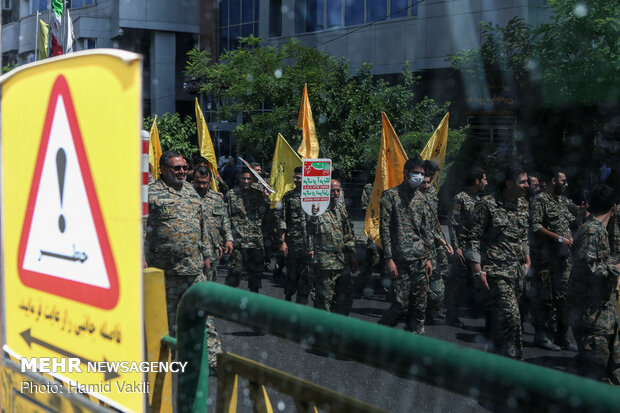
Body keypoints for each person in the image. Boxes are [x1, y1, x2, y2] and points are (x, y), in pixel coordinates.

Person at [145, 151, 221, 368]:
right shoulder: (151, 193)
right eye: (176, 168)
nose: (182, 171)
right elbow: (141, 229)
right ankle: (167, 363)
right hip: (165, 270)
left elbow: (202, 225)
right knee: (167, 322)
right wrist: (142, 257)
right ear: (163, 169)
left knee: (204, 316)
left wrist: (206, 254)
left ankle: (214, 359)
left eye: (184, 168)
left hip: (194, 268)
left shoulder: (191, 191)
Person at [464, 162, 530, 359]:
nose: (527, 185)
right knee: (513, 318)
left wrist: (528, 261)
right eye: (523, 182)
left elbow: (523, 236)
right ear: (509, 183)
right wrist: (477, 270)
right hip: (495, 272)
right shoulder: (487, 205)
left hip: (516, 273)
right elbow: (472, 238)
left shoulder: (523, 205)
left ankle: (493, 366)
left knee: (501, 324)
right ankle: (516, 364)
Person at [565, 184, 620, 384]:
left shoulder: (595, 230)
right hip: (592, 317)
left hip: (603, 316)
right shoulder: (591, 231)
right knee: (593, 377)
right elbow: (588, 269)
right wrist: (617, 268)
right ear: (613, 207)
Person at [377, 157, 434, 334]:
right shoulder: (390, 196)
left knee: (419, 305)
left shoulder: (422, 199)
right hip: (399, 260)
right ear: (406, 173)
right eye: (416, 173)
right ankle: (378, 334)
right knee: (400, 306)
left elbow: (426, 230)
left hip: (419, 260)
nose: (419, 176)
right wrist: (388, 259)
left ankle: (415, 342)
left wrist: (429, 258)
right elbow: (384, 229)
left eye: (422, 174)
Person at [529, 166, 578, 351]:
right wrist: (558, 238)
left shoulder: (562, 202)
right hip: (545, 259)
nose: (566, 184)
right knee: (545, 299)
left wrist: (569, 236)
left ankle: (562, 336)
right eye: (563, 181)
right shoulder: (540, 200)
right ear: (553, 181)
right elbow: (535, 226)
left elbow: (568, 223)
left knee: (564, 298)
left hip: (563, 259)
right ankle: (541, 335)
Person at [307, 178, 358, 313]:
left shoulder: (341, 210)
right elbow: (309, 231)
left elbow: (348, 235)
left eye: (337, 190)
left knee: (346, 297)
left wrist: (352, 255)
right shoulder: (317, 209)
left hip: (342, 263)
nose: (335, 193)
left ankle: (339, 327)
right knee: (323, 300)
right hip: (325, 265)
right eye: (332, 191)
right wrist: (313, 216)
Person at [446, 167, 487, 327]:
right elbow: (453, 223)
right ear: (476, 181)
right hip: (463, 246)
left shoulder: (480, 199)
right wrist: (457, 248)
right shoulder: (460, 198)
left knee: (475, 282)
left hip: (477, 246)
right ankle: (452, 315)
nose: (486, 182)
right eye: (484, 179)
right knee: (458, 283)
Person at [225, 168, 270, 292]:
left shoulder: (259, 194)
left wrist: (267, 199)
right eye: (243, 178)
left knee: (255, 279)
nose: (246, 181)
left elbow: (267, 216)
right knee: (234, 276)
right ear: (239, 178)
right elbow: (226, 218)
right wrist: (228, 238)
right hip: (238, 243)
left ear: (253, 180)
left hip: (255, 243)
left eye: (249, 179)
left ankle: (253, 306)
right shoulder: (231, 195)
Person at [420, 161, 453, 324]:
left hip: (435, 241)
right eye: (429, 174)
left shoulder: (432, 190)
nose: (431, 178)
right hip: (420, 243)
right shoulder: (415, 192)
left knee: (441, 273)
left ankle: (432, 308)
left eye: (433, 175)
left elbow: (433, 219)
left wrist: (442, 240)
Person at [192, 166, 234, 281]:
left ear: (210, 182)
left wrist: (228, 239)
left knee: (209, 287)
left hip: (212, 250)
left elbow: (224, 220)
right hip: (192, 252)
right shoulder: (187, 198)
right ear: (192, 181)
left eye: (205, 183)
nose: (201, 186)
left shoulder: (216, 199)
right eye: (198, 182)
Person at [278, 167, 312, 304]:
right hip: (292, 243)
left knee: (306, 277)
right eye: (295, 177)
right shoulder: (288, 196)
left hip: (309, 244)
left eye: (299, 177)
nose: (296, 180)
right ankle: (287, 301)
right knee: (291, 276)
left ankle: (301, 307)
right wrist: (282, 242)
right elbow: (282, 220)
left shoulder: (313, 197)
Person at [355, 182, 383, 297]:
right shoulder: (370, 187)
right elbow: (365, 209)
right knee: (372, 258)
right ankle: (359, 287)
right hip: (376, 229)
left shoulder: (397, 184)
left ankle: (386, 289)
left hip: (393, 231)